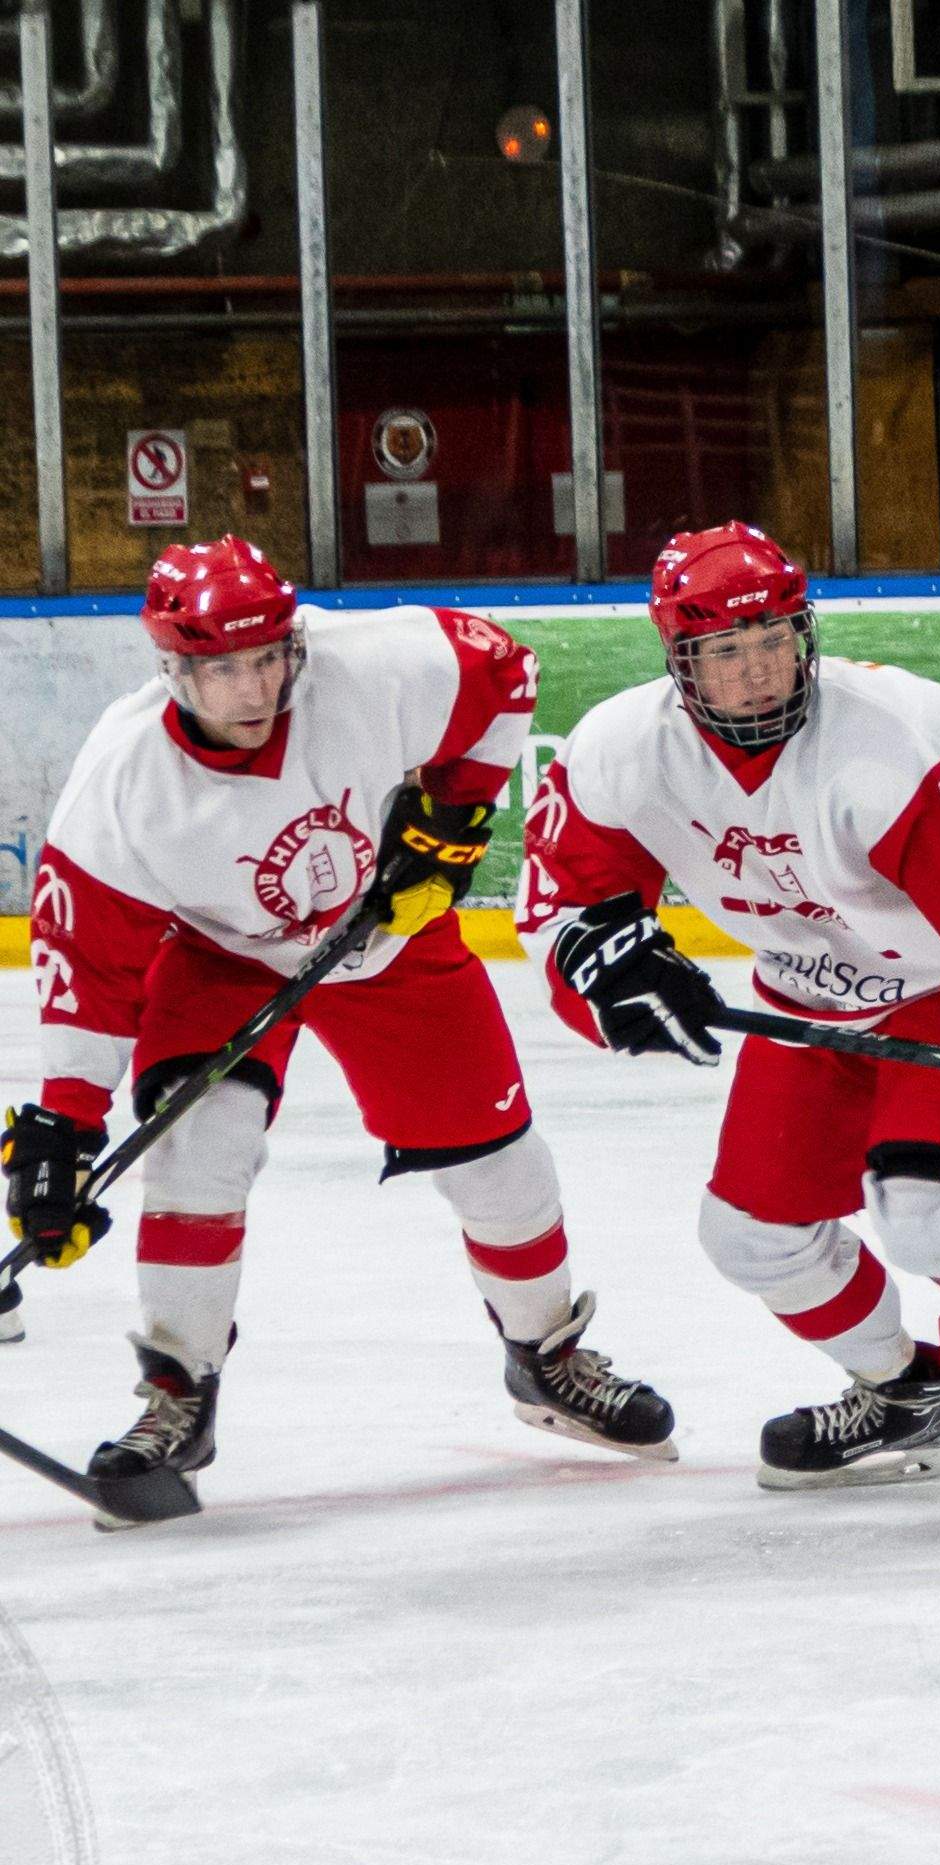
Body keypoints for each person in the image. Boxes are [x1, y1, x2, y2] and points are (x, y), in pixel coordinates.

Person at [2, 537, 671, 1521]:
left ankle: (548, 1357)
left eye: (270, 655)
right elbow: (89, 969)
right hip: (221, 959)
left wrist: (451, 827)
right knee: (201, 1150)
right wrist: (65, 1122)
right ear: (173, 667)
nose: (255, 686)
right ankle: (178, 1397)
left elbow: (505, 673)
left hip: (387, 942)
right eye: (224, 668)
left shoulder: (372, 667)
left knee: (500, 1166)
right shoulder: (123, 780)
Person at [515, 524, 940, 1489]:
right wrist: (605, 974)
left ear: (805, 634)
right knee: (747, 1237)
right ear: (680, 660)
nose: (758, 674)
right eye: (726, 652)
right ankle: (902, 1394)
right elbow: (565, 904)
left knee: (928, 1220)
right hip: (806, 999)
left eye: (774, 640)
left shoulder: (889, 737)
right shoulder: (622, 752)